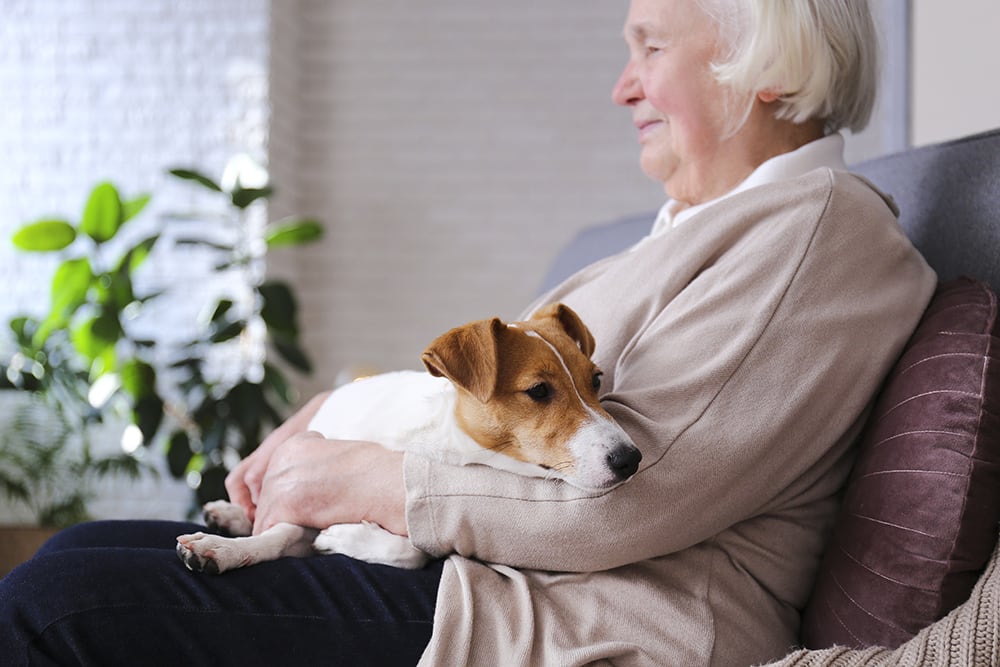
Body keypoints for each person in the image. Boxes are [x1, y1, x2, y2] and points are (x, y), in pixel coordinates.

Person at [0, 0, 936, 665]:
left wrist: (364, 477)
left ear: (767, 68)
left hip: (595, 622)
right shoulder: (699, 230)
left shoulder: (817, 230)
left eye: (649, 45)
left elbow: (630, 493)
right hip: (506, 579)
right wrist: (332, 417)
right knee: (71, 557)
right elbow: (503, 410)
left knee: (54, 611)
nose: (622, 86)